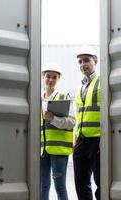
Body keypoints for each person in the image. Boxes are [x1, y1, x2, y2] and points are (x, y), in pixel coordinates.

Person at [40, 62, 76, 200]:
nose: (50, 80)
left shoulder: (63, 97)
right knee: (43, 185)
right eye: (48, 76)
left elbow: (72, 122)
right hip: (42, 150)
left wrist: (53, 118)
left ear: (58, 79)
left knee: (59, 186)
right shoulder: (37, 99)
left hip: (59, 150)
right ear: (43, 77)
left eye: (54, 77)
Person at [73, 46, 101, 200]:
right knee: (81, 183)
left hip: (97, 139)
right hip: (81, 140)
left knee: (101, 182)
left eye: (86, 60)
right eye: (80, 61)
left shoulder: (102, 81)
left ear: (95, 61)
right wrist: (75, 138)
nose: (83, 64)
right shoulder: (80, 86)